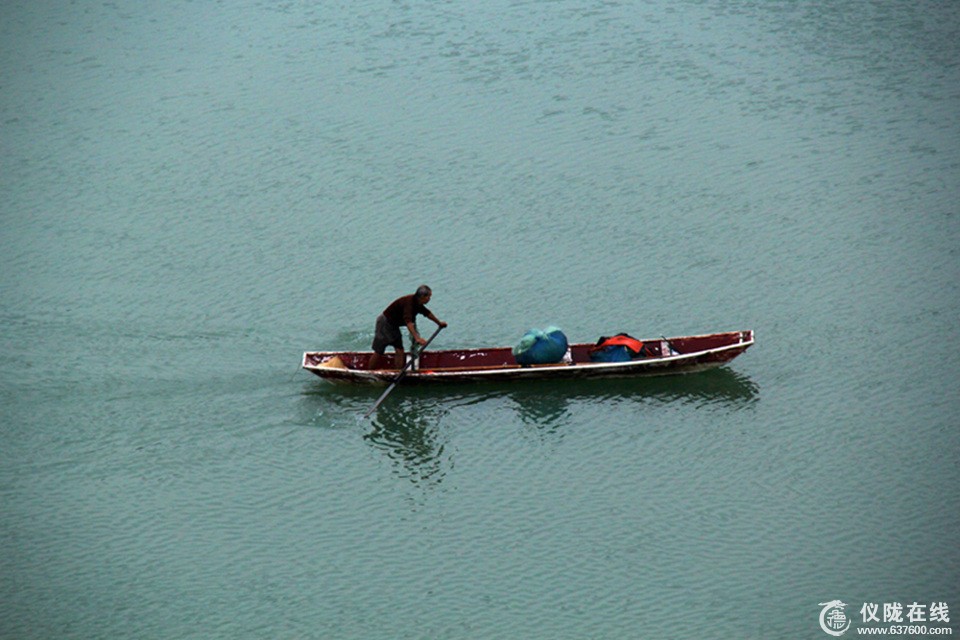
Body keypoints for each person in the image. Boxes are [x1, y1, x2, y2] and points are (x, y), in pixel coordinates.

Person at [368, 285, 447, 370]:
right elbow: (408, 322)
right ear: (422, 296)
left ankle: (397, 372)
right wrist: (417, 338)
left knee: (399, 349)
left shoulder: (418, 303)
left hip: (393, 325)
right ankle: (370, 372)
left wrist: (439, 323)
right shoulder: (409, 303)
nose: (429, 299)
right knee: (379, 350)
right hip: (385, 323)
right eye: (428, 297)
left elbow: (427, 313)